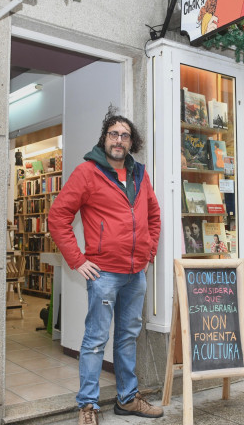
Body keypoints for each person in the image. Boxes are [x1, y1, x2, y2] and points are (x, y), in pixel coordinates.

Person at [48, 109, 163, 425]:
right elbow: (57, 217)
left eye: (125, 135)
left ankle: (127, 399)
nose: (119, 140)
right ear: (104, 138)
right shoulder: (87, 172)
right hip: (104, 274)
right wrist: (78, 259)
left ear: (131, 142)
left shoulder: (140, 174)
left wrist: (149, 252)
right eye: (114, 133)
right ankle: (87, 405)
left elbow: (154, 216)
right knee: (96, 340)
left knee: (128, 336)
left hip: (135, 273)